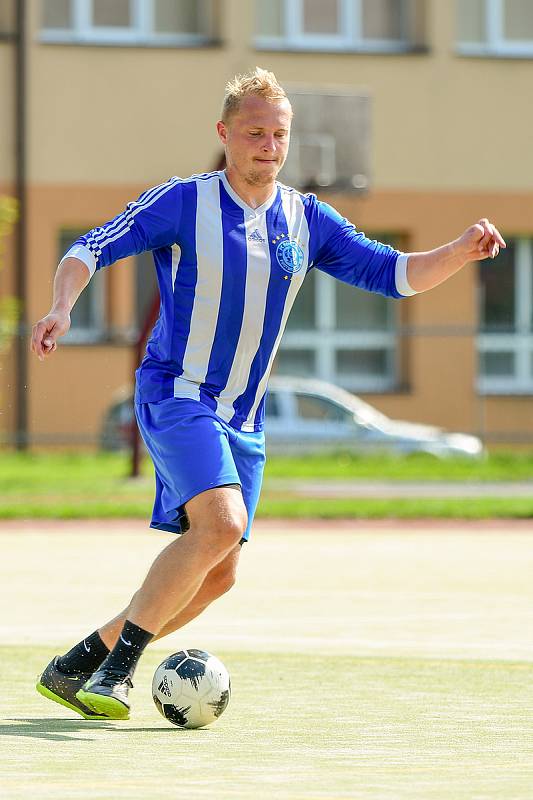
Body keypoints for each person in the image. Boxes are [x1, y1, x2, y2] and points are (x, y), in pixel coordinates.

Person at [31, 67, 505, 721]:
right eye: (254, 132)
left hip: (243, 419)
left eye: (279, 134)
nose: (268, 145)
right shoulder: (182, 201)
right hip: (179, 394)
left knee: (219, 571)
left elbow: (393, 275)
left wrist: (458, 250)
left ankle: (77, 663)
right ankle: (116, 674)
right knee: (219, 525)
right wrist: (62, 307)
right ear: (224, 134)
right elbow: (90, 247)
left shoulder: (305, 217)